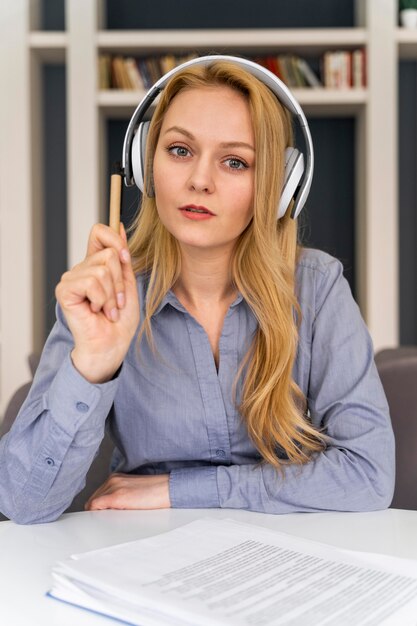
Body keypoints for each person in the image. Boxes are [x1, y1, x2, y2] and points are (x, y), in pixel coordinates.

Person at [0, 57, 394, 524]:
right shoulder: (102, 296)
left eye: (235, 161)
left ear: (277, 186)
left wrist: (176, 490)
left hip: (286, 565)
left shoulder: (316, 287)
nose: (199, 181)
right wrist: (93, 365)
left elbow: (368, 474)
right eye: (180, 150)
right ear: (147, 165)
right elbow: (22, 503)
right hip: (146, 560)